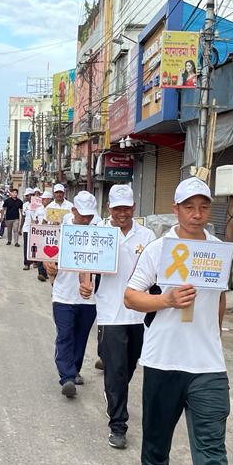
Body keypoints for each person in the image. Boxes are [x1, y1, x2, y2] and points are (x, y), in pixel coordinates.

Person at [124, 177, 233, 465]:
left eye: (204, 207)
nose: (197, 214)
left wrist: (217, 338)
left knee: (211, 441)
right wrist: (167, 300)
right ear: (176, 209)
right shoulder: (158, 250)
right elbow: (131, 298)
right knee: (159, 427)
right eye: (189, 207)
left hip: (208, 364)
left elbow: (220, 301)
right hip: (164, 358)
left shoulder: (217, 252)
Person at [94, 184, 155, 449]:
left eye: (126, 208)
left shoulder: (148, 235)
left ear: (133, 208)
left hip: (138, 315)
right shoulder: (99, 234)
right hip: (110, 313)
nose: (122, 213)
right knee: (116, 371)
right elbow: (84, 264)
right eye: (117, 208)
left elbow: (156, 272)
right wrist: (85, 281)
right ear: (109, 209)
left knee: (128, 369)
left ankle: (113, 394)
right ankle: (118, 425)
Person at [46, 191, 99, 398]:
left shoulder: (101, 229)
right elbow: (44, 250)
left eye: (90, 216)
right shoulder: (60, 227)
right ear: (74, 210)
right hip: (63, 293)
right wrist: (48, 264)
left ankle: (74, 368)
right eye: (82, 215)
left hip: (89, 296)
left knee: (81, 335)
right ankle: (66, 376)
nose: (86, 219)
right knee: (65, 334)